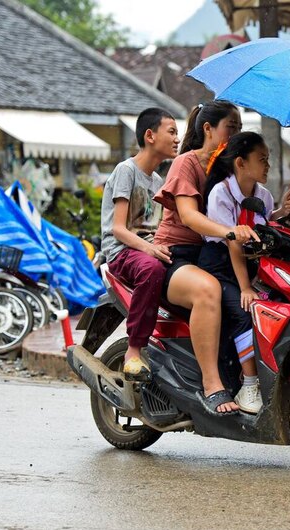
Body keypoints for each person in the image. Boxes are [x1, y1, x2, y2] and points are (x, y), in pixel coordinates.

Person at [153, 100, 258, 416]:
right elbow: (188, 216)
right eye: (231, 128)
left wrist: (282, 212)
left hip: (211, 258)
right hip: (175, 258)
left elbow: (249, 215)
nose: (236, 134)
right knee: (209, 290)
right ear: (208, 129)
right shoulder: (186, 163)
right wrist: (228, 231)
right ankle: (213, 385)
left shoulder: (230, 170)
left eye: (240, 129)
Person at [198, 132, 290, 413]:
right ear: (241, 163)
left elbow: (264, 227)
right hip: (220, 268)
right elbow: (233, 241)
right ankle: (249, 385)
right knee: (247, 310)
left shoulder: (263, 196)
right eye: (262, 160)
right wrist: (245, 287)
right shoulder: (221, 193)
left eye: (268, 160)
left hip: (249, 266)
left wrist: (285, 210)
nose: (267, 165)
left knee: (280, 305)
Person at [100, 107, 178, 380]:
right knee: (152, 269)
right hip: (122, 252)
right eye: (171, 132)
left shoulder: (158, 181)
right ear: (150, 136)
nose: (177, 139)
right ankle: (134, 349)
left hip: (146, 248)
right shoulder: (126, 170)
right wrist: (150, 248)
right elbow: (118, 228)